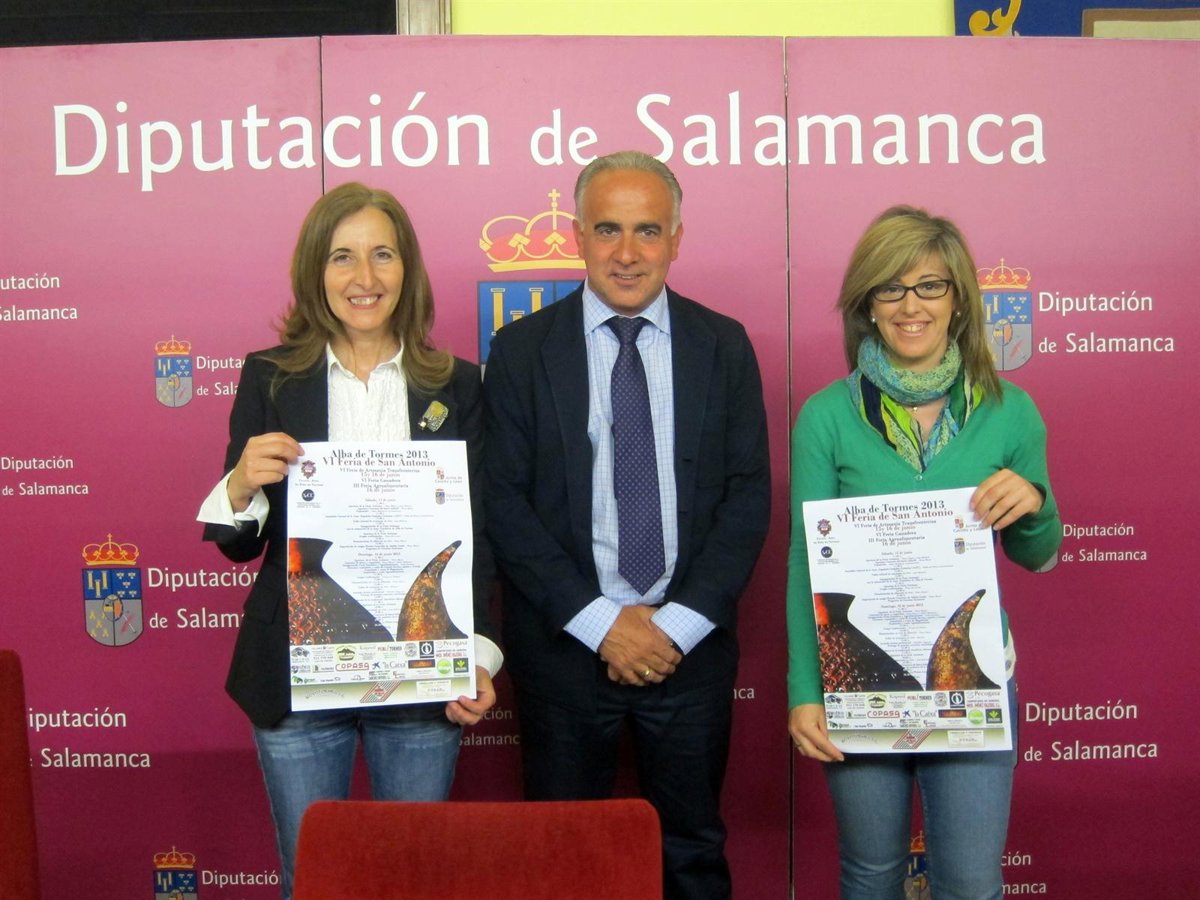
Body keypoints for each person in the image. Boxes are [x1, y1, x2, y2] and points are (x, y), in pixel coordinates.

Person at [196, 182, 500, 900]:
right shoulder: (271, 378)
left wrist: (480, 655)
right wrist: (240, 483)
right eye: (343, 257)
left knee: (414, 881)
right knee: (314, 881)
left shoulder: (459, 386)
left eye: (382, 255)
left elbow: (480, 534)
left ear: (407, 269)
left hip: (422, 669)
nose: (365, 277)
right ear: (315, 271)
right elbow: (236, 545)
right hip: (296, 675)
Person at [483, 150, 770, 900]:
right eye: (608, 229)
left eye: (648, 230)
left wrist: (672, 628)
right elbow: (504, 504)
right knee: (563, 861)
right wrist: (602, 625)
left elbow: (747, 498)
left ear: (676, 238)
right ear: (578, 235)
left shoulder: (724, 345)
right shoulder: (520, 351)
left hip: (689, 651)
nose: (627, 252)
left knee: (691, 855)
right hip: (565, 649)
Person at [786, 205, 1061, 899]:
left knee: (969, 881)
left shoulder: (1010, 410)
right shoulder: (826, 415)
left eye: (930, 286)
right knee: (871, 873)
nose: (911, 306)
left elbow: (1039, 554)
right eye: (891, 288)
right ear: (867, 305)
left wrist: (1033, 502)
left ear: (958, 299)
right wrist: (805, 692)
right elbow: (805, 562)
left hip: (970, 677)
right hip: (859, 680)